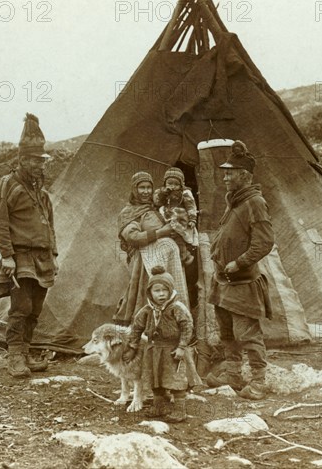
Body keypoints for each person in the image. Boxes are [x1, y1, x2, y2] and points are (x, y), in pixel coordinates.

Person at [0, 114, 58, 378]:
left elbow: (50, 226)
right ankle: (15, 357)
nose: (41, 166)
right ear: (23, 160)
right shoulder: (8, 186)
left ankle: (26, 352)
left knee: (36, 308)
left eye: (42, 161)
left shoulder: (41, 193)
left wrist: (54, 254)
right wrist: (7, 256)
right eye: (36, 161)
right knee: (21, 307)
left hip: (43, 258)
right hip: (20, 257)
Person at [206, 140, 274, 400]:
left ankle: (259, 381)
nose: (224, 177)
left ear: (244, 177)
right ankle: (233, 373)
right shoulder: (235, 199)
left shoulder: (254, 202)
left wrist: (240, 262)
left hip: (241, 281)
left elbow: (264, 241)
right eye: (225, 172)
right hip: (223, 280)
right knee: (226, 330)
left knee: (248, 333)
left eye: (229, 173)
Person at [123, 266, 202, 422]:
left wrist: (181, 347)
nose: (161, 294)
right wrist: (132, 347)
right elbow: (136, 328)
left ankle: (180, 410)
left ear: (170, 290)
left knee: (175, 379)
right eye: (157, 290)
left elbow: (187, 327)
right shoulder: (147, 310)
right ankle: (159, 406)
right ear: (150, 292)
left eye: (164, 290)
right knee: (155, 378)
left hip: (173, 350)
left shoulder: (177, 308)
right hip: (154, 349)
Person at [113, 172, 190, 325]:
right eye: (142, 187)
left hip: (165, 262)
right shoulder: (129, 213)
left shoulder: (156, 209)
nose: (146, 191)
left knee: (167, 296)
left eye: (149, 187)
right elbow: (132, 237)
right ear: (134, 189)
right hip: (144, 264)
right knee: (146, 297)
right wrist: (161, 232)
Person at [153, 167, 199, 266]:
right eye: (170, 183)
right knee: (167, 236)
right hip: (167, 217)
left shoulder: (185, 193)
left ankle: (184, 256)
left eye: (176, 184)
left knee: (179, 238)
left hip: (179, 219)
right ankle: (168, 258)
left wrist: (192, 219)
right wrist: (163, 193)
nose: (173, 186)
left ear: (181, 184)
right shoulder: (163, 192)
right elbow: (157, 202)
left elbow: (191, 206)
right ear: (165, 183)